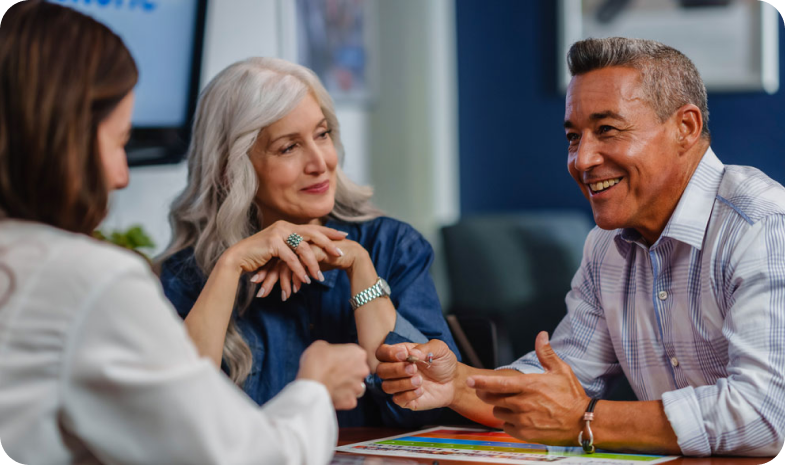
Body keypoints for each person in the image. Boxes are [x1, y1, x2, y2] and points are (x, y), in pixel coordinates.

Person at [376, 37, 785, 457]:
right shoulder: (606, 246)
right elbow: (562, 385)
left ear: (685, 127)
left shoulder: (763, 226)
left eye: (607, 130)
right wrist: (455, 384)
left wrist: (584, 419)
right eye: (574, 137)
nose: (582, 159)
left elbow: (766, 412)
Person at [0, 2, 369, 463]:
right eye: (119, 142)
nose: (121, 176)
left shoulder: (386, 242)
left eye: (323, 134)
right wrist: (315, 389)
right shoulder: (98, 280)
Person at [156, 56, 460, 427]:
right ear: (229, 169)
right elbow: (177, 420)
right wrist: (231, 265)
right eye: (288, 147)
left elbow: (434, 408)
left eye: (322, 134)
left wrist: (361, 270)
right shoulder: (190, 272)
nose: (320, 162)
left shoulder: (392, 246)